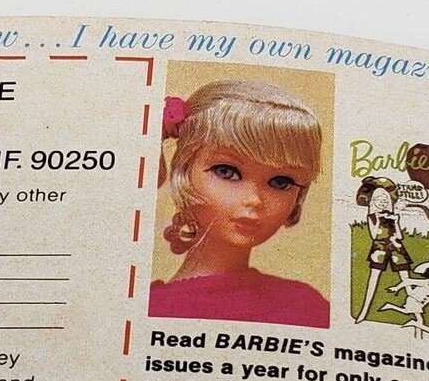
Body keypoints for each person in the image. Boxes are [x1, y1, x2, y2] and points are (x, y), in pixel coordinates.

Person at [148, 79, 329, 328]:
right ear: (185, 169)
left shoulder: (305, 306)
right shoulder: (150, 307)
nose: (254, 200)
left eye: (280, 182)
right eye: (226, 171)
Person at [354, 175, 412, 323]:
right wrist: (380, 220)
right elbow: (374, 235)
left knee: (406, 278)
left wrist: (396, 222)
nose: (382, 202)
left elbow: (399, 236)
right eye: (378, 200)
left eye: (385, 200)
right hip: (379, 248)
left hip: (396, 247)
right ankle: (364, 311)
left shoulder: (392, 216)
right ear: (373, 201)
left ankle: (416, 309)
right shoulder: (372, 216)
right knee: (374, 277)